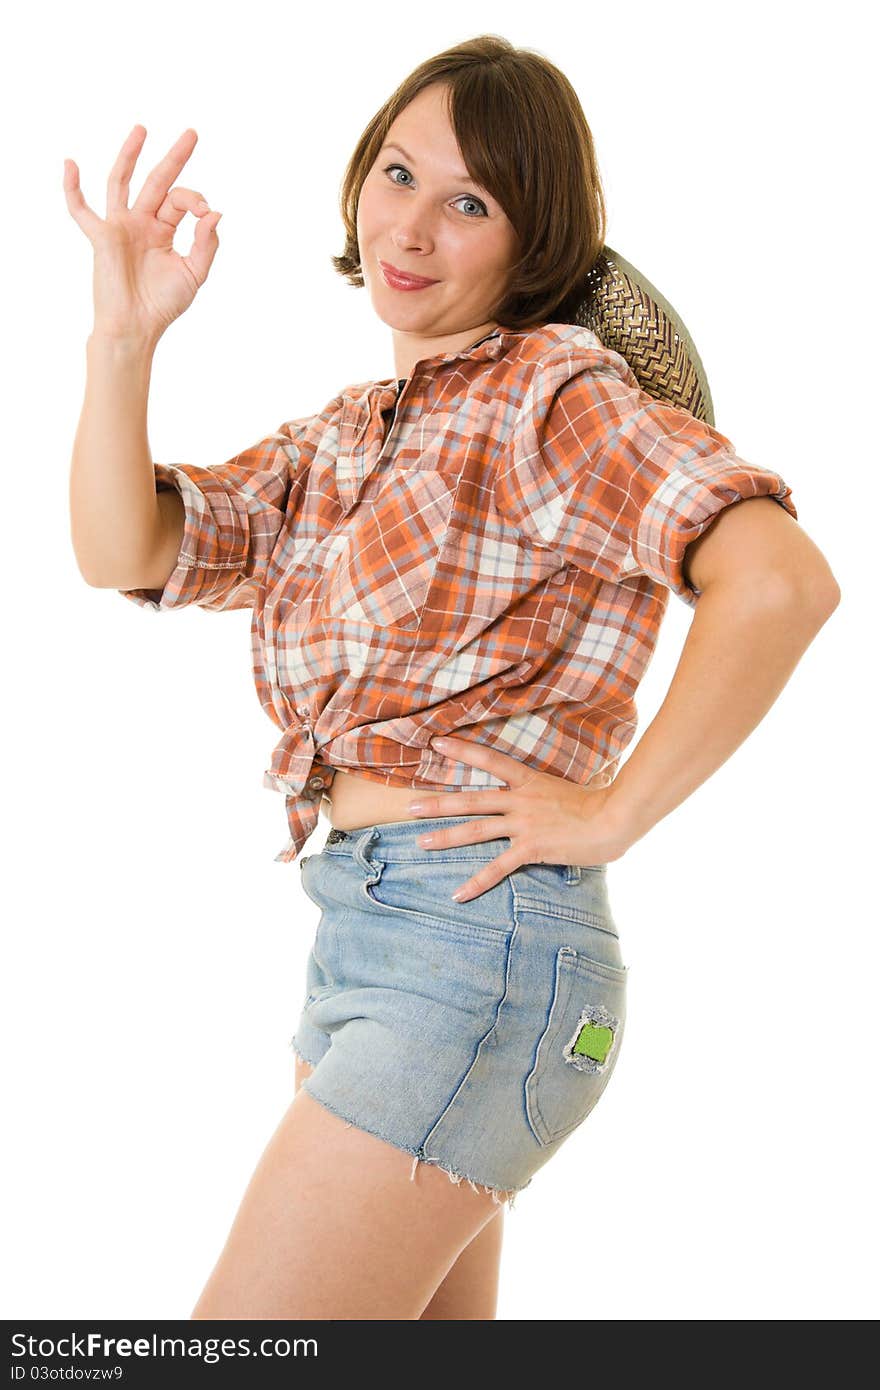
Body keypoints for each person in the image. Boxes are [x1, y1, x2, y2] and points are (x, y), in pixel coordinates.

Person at [64, 35, 840, 1321]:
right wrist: (121, 334)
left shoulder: (552, 392)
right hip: (364, 934)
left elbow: (781, 581)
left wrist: (613, 810)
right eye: (397, 172)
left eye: (469, 201)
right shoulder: (351, 431)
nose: (410, 228)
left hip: (474, 944)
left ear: (531, 241)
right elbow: (126, 547)